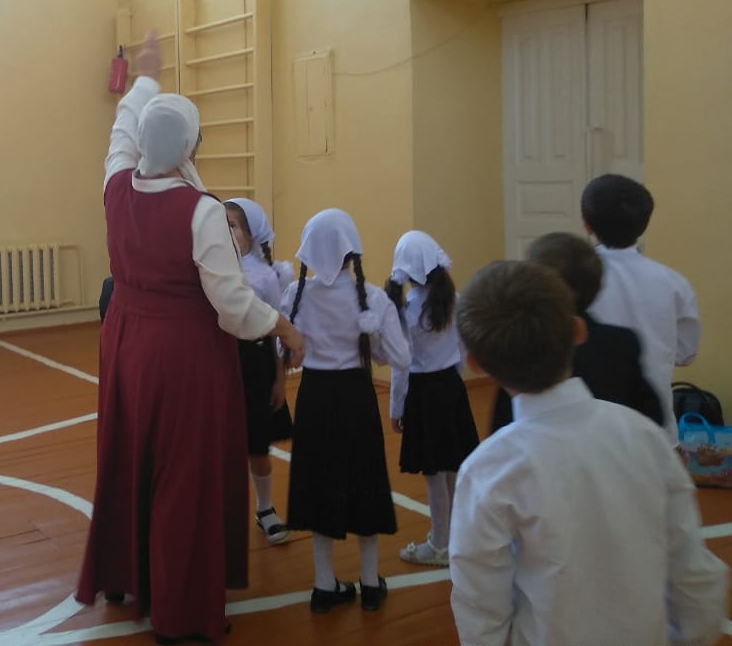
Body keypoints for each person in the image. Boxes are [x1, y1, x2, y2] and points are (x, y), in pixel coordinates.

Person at [76, 31, 305, 646]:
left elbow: (122, 129)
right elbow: (232, 306)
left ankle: (126, 576)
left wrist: (146, 77)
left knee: (131, 455)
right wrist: (283, 326)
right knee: (184, 472)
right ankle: (178, 609)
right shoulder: (202, 211)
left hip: (126, 343)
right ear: (192, 145)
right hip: (184, 355)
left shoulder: (116, 184)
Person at [450, 260, 727, 646]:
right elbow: (693, 569)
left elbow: (480, 597)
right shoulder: (645, 438)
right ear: (578, 330)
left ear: (475, 362)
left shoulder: (489, 470)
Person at [279, 208, 410, 613]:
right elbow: (401, 358)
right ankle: (370, 582)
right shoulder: (372, 298)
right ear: (352, 250)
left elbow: (286, 351)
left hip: (314, 398)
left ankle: (324, 585)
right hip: (356, 397)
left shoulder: (295, 295)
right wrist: (375, 336)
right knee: (363, 479)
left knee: (319, 482)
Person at [490, 231, 664, 432]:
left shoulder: (518, 342)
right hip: (611, 443)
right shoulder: (622, 342)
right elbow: (652, 415)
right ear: (599, 289)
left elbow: (502, 423)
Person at [581, 174, 701, 441]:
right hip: (655, 425)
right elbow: (685, 353)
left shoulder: (573, 281)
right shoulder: (674, 283)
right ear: (644, 225)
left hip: (588, 427)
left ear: (587, 226)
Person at [384, 231, 477, 568]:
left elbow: (401, 365)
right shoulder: (456, 300)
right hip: (451, 387)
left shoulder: (407, 311)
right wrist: (455, 377)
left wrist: (396, 407)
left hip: (423, 394)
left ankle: (440, 542)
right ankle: (453, 534)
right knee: (451, 464)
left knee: (434, 471)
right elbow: (462, 349)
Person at [224, 197, 297, 545]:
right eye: (221, 225)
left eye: (233, 226)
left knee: (257, 445)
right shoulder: (211, 271)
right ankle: (224, 512)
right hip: (220, 363)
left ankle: (265, 508)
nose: (226, 232)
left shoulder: (265, 276)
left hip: (255, 364)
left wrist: (279, 380)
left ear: (252, 233)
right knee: (221, 445)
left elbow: (275, 330)